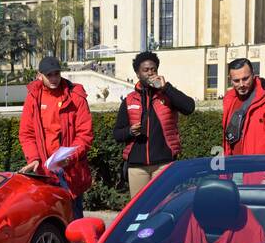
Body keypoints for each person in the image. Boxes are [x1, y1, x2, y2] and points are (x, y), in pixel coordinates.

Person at [18, 56, 94, 219]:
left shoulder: (76, 96)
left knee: (73, 222)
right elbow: (27, 133)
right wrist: (34, 158)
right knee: (50, 222)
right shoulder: (33, 97)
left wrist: (69, 157)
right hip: (44, 173)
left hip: (69, 171)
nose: (53, 78)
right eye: (49, 75)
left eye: (56, 74)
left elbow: (84, 135)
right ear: (40, 75)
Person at [112, 50, 196, 197]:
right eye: (145, 70)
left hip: (163, 164)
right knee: (140, 210)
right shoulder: (129, 100)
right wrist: (130, 132)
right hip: (137, 167)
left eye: (153, 69)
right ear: (138, 74)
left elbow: (189, 107)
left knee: (164, 206)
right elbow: (117, 133)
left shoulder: (167, 95)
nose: (150, 73)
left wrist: (166, 88)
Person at [221, 58, 265, 164]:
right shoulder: (229, 98)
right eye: (236, 80)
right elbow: (227, 140)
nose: (241, 84)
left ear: (253, 75)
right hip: (232, 167)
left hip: (258, 169)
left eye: (245, 78)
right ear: (230, 79)